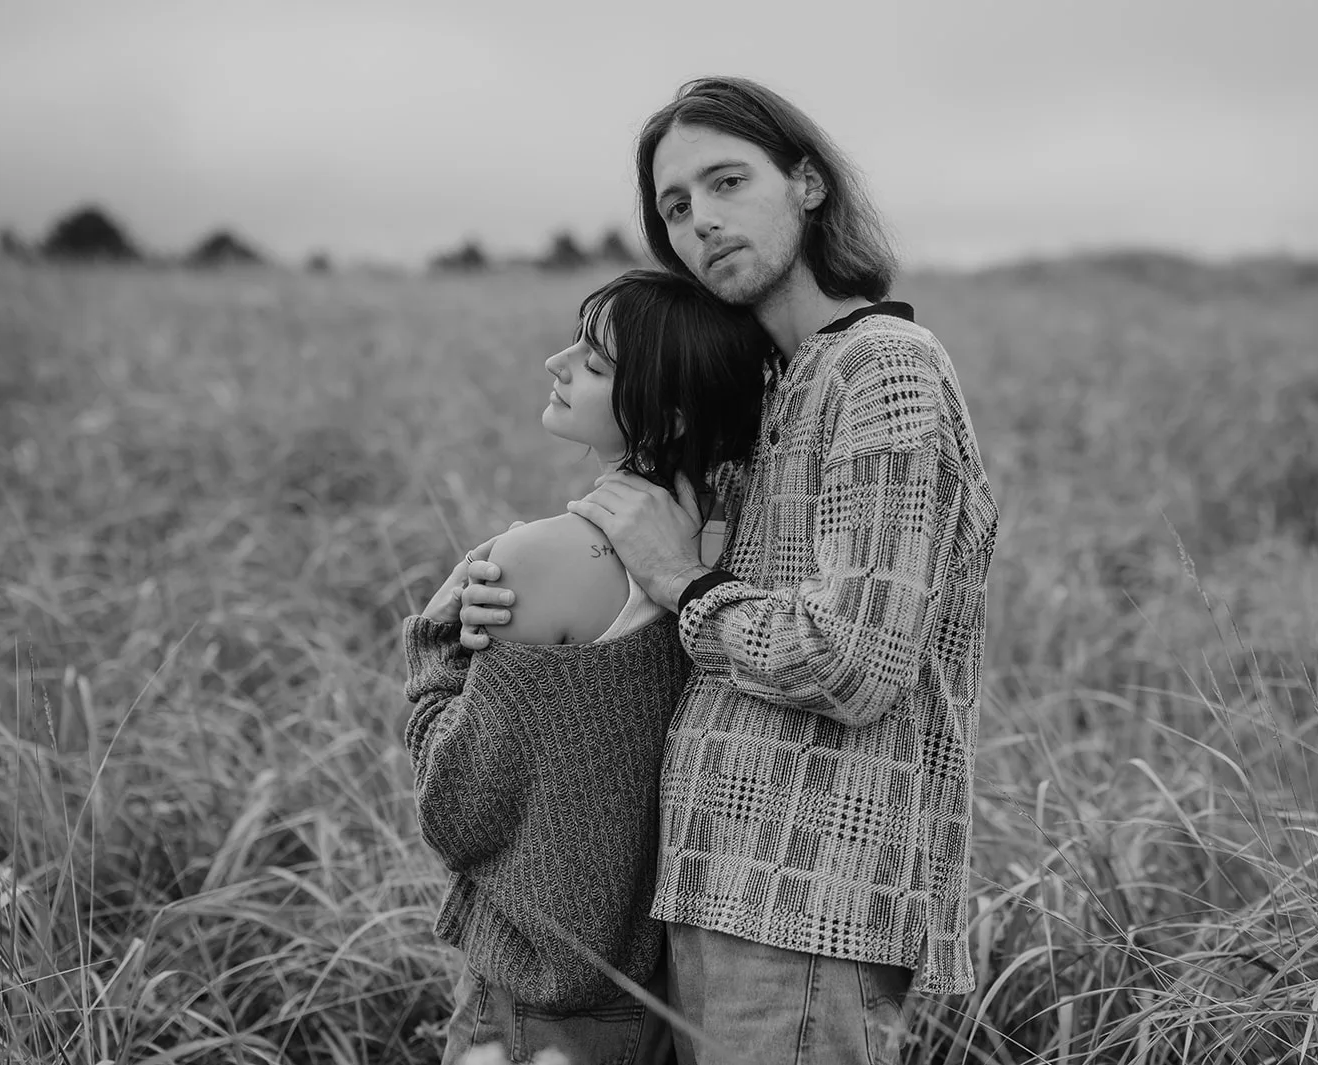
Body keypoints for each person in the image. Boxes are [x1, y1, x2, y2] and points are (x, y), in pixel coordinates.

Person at [458, 76, 999, 1065]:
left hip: (811, 900)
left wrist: (686, 586)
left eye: (725, 181)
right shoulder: (783, 383)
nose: (700, 221)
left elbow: (854, 663)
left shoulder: (886, 366)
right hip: (709, 889)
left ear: (806, 184)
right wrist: (477, 591)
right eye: (675, 206)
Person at [404, 268, 768, 1065]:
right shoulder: (728, 546)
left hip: (542, 1009)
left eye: (595, 364)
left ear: (665, 414)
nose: (555, 363)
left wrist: (434, 644)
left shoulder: (542, 559)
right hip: (671, 995)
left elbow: (459, 808)